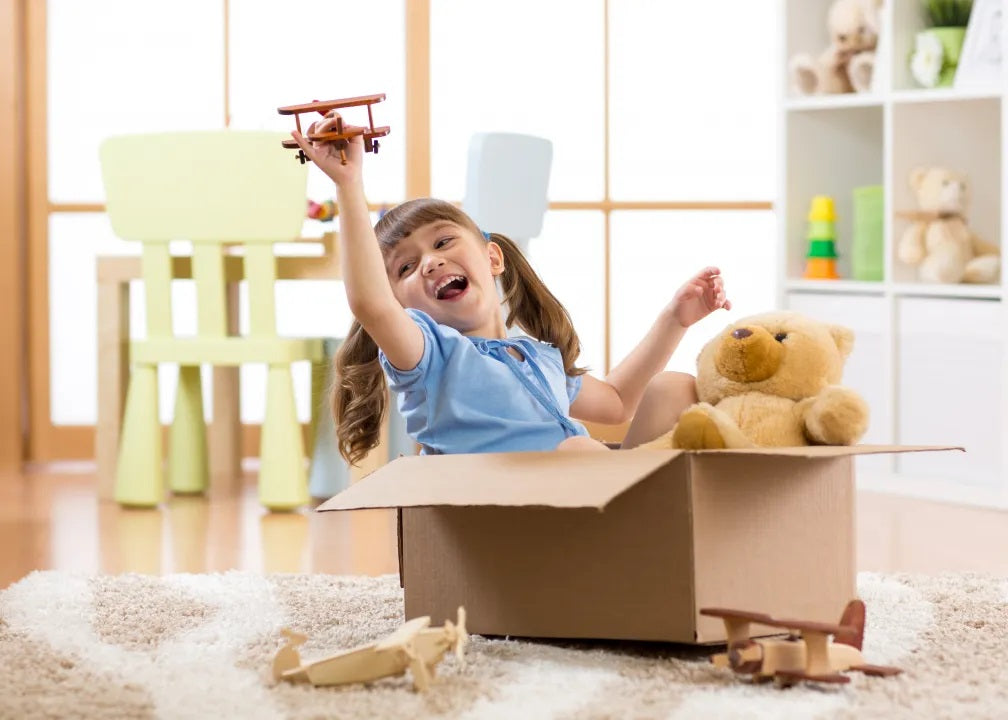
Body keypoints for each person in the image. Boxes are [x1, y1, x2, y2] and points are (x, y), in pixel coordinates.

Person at [290, 122, 731, 466]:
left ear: (493, 259)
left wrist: (676, 318)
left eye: (443, 242)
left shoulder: (537, 356)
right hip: (502, 526)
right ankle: (649, 507)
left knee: (673, 389)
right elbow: (370, 303)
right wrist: (349, 186)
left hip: (587, 498)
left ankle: (663, 513)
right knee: (581, 454)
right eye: (405, 267)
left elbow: (618, 403)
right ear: (402, 304)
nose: (430, 262)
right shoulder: (430, 357)